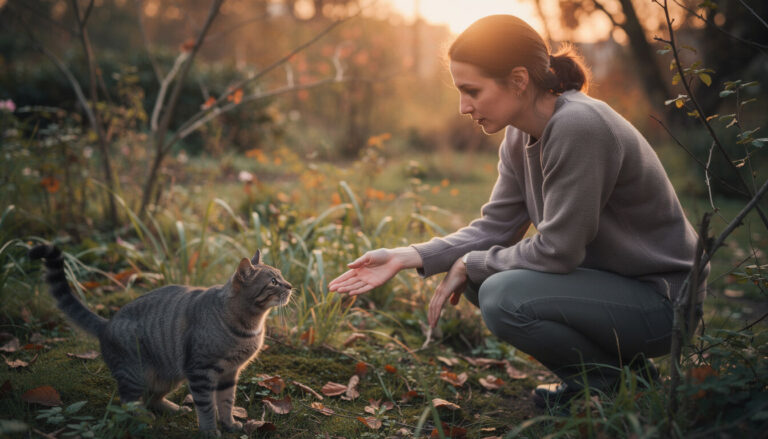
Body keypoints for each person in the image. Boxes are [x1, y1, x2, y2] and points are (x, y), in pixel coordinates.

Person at [328, 14, 708, 409]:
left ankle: (610, 385)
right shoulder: (519, 133)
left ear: (518, 80)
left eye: (471, 90)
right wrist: (410, 256)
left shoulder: (579, 126)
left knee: (500, 292)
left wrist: (471, 262)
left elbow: (560, 249)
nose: (462, 107)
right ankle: (625, 379)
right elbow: (496, 227)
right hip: (612, 286)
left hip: (663, 303)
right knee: (480, 277)